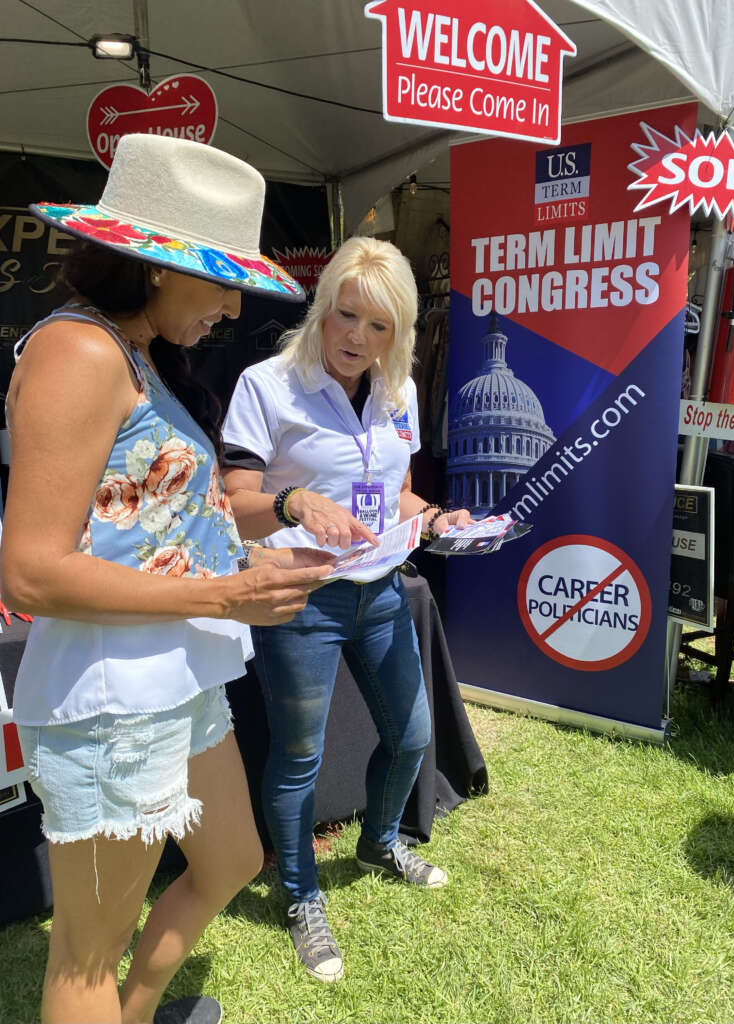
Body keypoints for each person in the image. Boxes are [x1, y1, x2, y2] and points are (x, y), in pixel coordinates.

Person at [0, 134, 333, 1024]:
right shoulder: (79, 352)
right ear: (153, 267)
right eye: (220, 280)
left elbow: (142, 527)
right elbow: (31, 572)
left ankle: (140, 1013)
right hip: (110, 701)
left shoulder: (134, 352)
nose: (230, 307)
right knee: (83, 962)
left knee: (230, 861)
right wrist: (225, 595)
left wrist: (249, 561)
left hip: (173, 682)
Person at [221, 236, 472, 983]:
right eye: (346, 315)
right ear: (323, 306)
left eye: (379, 326)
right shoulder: (267, 385)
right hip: (302, 599)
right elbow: (233, 505)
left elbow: (393, 489)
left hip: (384, 590)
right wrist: (294, 501)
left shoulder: (398, 391)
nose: (357, 338)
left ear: (399, 334)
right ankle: (300, 895)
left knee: (413, 736)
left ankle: (379, 840)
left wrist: (430, 517)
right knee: (298, 757)